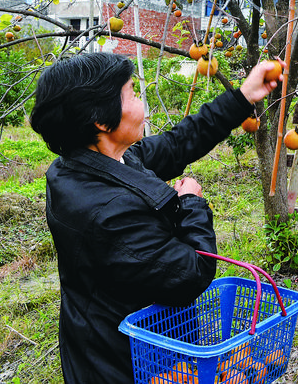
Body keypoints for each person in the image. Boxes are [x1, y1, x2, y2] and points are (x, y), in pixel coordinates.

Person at [30, 52, 278, 384]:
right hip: (124, 363)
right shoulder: (107, 213)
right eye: (131, 92)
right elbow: (190, 274)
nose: (139, 99)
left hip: (124, 344)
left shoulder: (88, 164)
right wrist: (191, 202)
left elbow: (179, 144)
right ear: (102, 120)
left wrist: (243, 96)